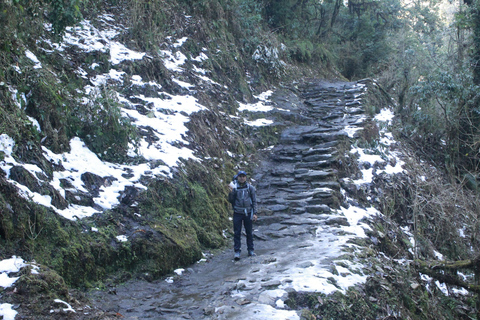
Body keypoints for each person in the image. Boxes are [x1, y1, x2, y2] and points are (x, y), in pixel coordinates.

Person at [228, 170, 257, 260]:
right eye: (240, 176)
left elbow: (254, 201)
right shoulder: (234, 188)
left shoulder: (250, 188)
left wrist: (255, 213)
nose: (242, 178)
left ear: (246, 177)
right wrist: (231, 192)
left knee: (249, 232)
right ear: (237, 177)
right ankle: (237, 252)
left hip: (248, 212)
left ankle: (251, 250)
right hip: (237, 213)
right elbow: (230, 200)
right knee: (237, 233)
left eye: (243, 176)